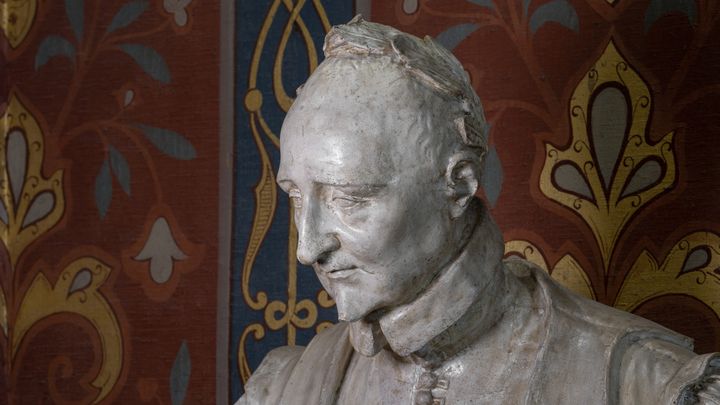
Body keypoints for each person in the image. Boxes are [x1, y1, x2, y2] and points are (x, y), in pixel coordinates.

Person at [237, 16, 720, 404]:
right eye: (297, 199)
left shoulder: (648, 384)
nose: (306, 248)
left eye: (349, 199)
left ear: (459, 185)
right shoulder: (284, 388)